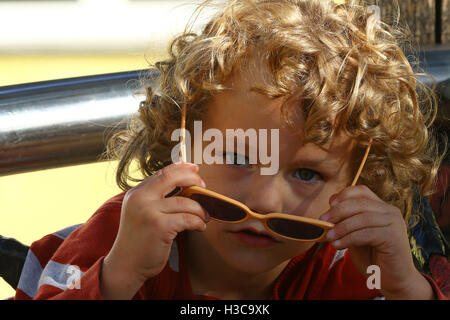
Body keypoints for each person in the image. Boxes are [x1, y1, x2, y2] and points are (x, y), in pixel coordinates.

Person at [14, 0, 448, 300]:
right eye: (238, 157)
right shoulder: (118, 241)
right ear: (181, 137)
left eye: (307, 173)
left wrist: (407, 288)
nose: (263, 199)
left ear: (361, 181)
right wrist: (117, 277)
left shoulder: (355, 266)